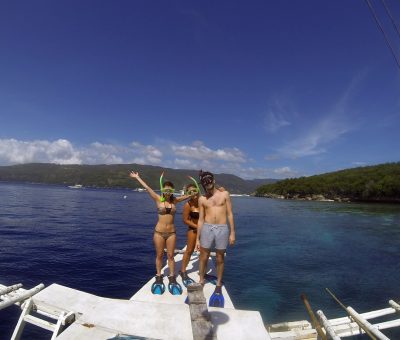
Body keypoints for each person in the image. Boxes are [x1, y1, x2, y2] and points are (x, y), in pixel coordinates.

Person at [129, 171, 192, 295]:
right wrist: (137, 177)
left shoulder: (175, 201)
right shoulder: (158, 198)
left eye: (170, 190)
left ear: (172, 191)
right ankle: (159, 276)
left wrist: (193, 189)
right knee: (159, 255)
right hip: (159, 232)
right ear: (163, 190)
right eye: (166, 189)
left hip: (172, 233)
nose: (168, 192)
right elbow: (147, 188)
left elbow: (189, 196)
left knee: (170, 256)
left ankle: (172, 277)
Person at [196, 170, 235, 307]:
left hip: (222, 229)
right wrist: (197, 239)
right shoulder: (202, 199)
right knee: (203, 256)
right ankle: (201, 280)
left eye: (210, 180)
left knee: (220, 258)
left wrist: (232, 233)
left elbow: (230, 214)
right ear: (203, 184)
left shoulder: (225, 194)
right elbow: (200, 220)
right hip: (207, 228)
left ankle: (218, 284)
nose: (208, 183)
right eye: (205, 182)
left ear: (214, 180)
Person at [179, 178, 201, 287]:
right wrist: (197, 226)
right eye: (190, 192)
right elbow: (185, 220)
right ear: (188, 194)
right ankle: (183, 271)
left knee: (204, 252)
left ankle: (202, 272)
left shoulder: (203, 202)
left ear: (198, 191)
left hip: (204, 231)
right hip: (193, 230)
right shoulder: (188, 205)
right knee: (189, 251)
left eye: (195, 190)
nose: (193, 193)